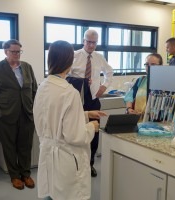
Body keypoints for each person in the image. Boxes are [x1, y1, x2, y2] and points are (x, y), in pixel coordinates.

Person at [33, 40, 106, 200]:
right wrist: (90, 126)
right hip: (67, 158)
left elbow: (51, 117)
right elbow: (75, 136)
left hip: (47, 153)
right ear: (70, 61)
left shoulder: (43, 86)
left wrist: (85, 114)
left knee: (51, 194)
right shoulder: (69, 92)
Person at [0, 39, 37, 190]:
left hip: (26, 113)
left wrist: (34, 109)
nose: (17, 54)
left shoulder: (27, 67)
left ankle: (26, 174)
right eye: (13, 51)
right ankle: (14, 176)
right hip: (5, 115)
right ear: (5, 52)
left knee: (26, 146)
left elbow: (34, 89)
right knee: (9, 147)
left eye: (19, 51)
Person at [67, 29, 113, 177]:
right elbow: (65, 76)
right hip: (77, 100)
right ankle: (75, 164)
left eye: (94, 42)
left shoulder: (99, 57)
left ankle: (90, 164)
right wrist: (81, 82)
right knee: (76, 132)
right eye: (89, 42)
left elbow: (109, 72)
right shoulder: (74, 56)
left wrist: (103, 86)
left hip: (93, 100)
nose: (91, 45)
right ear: (83, 41)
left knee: (94, 132)